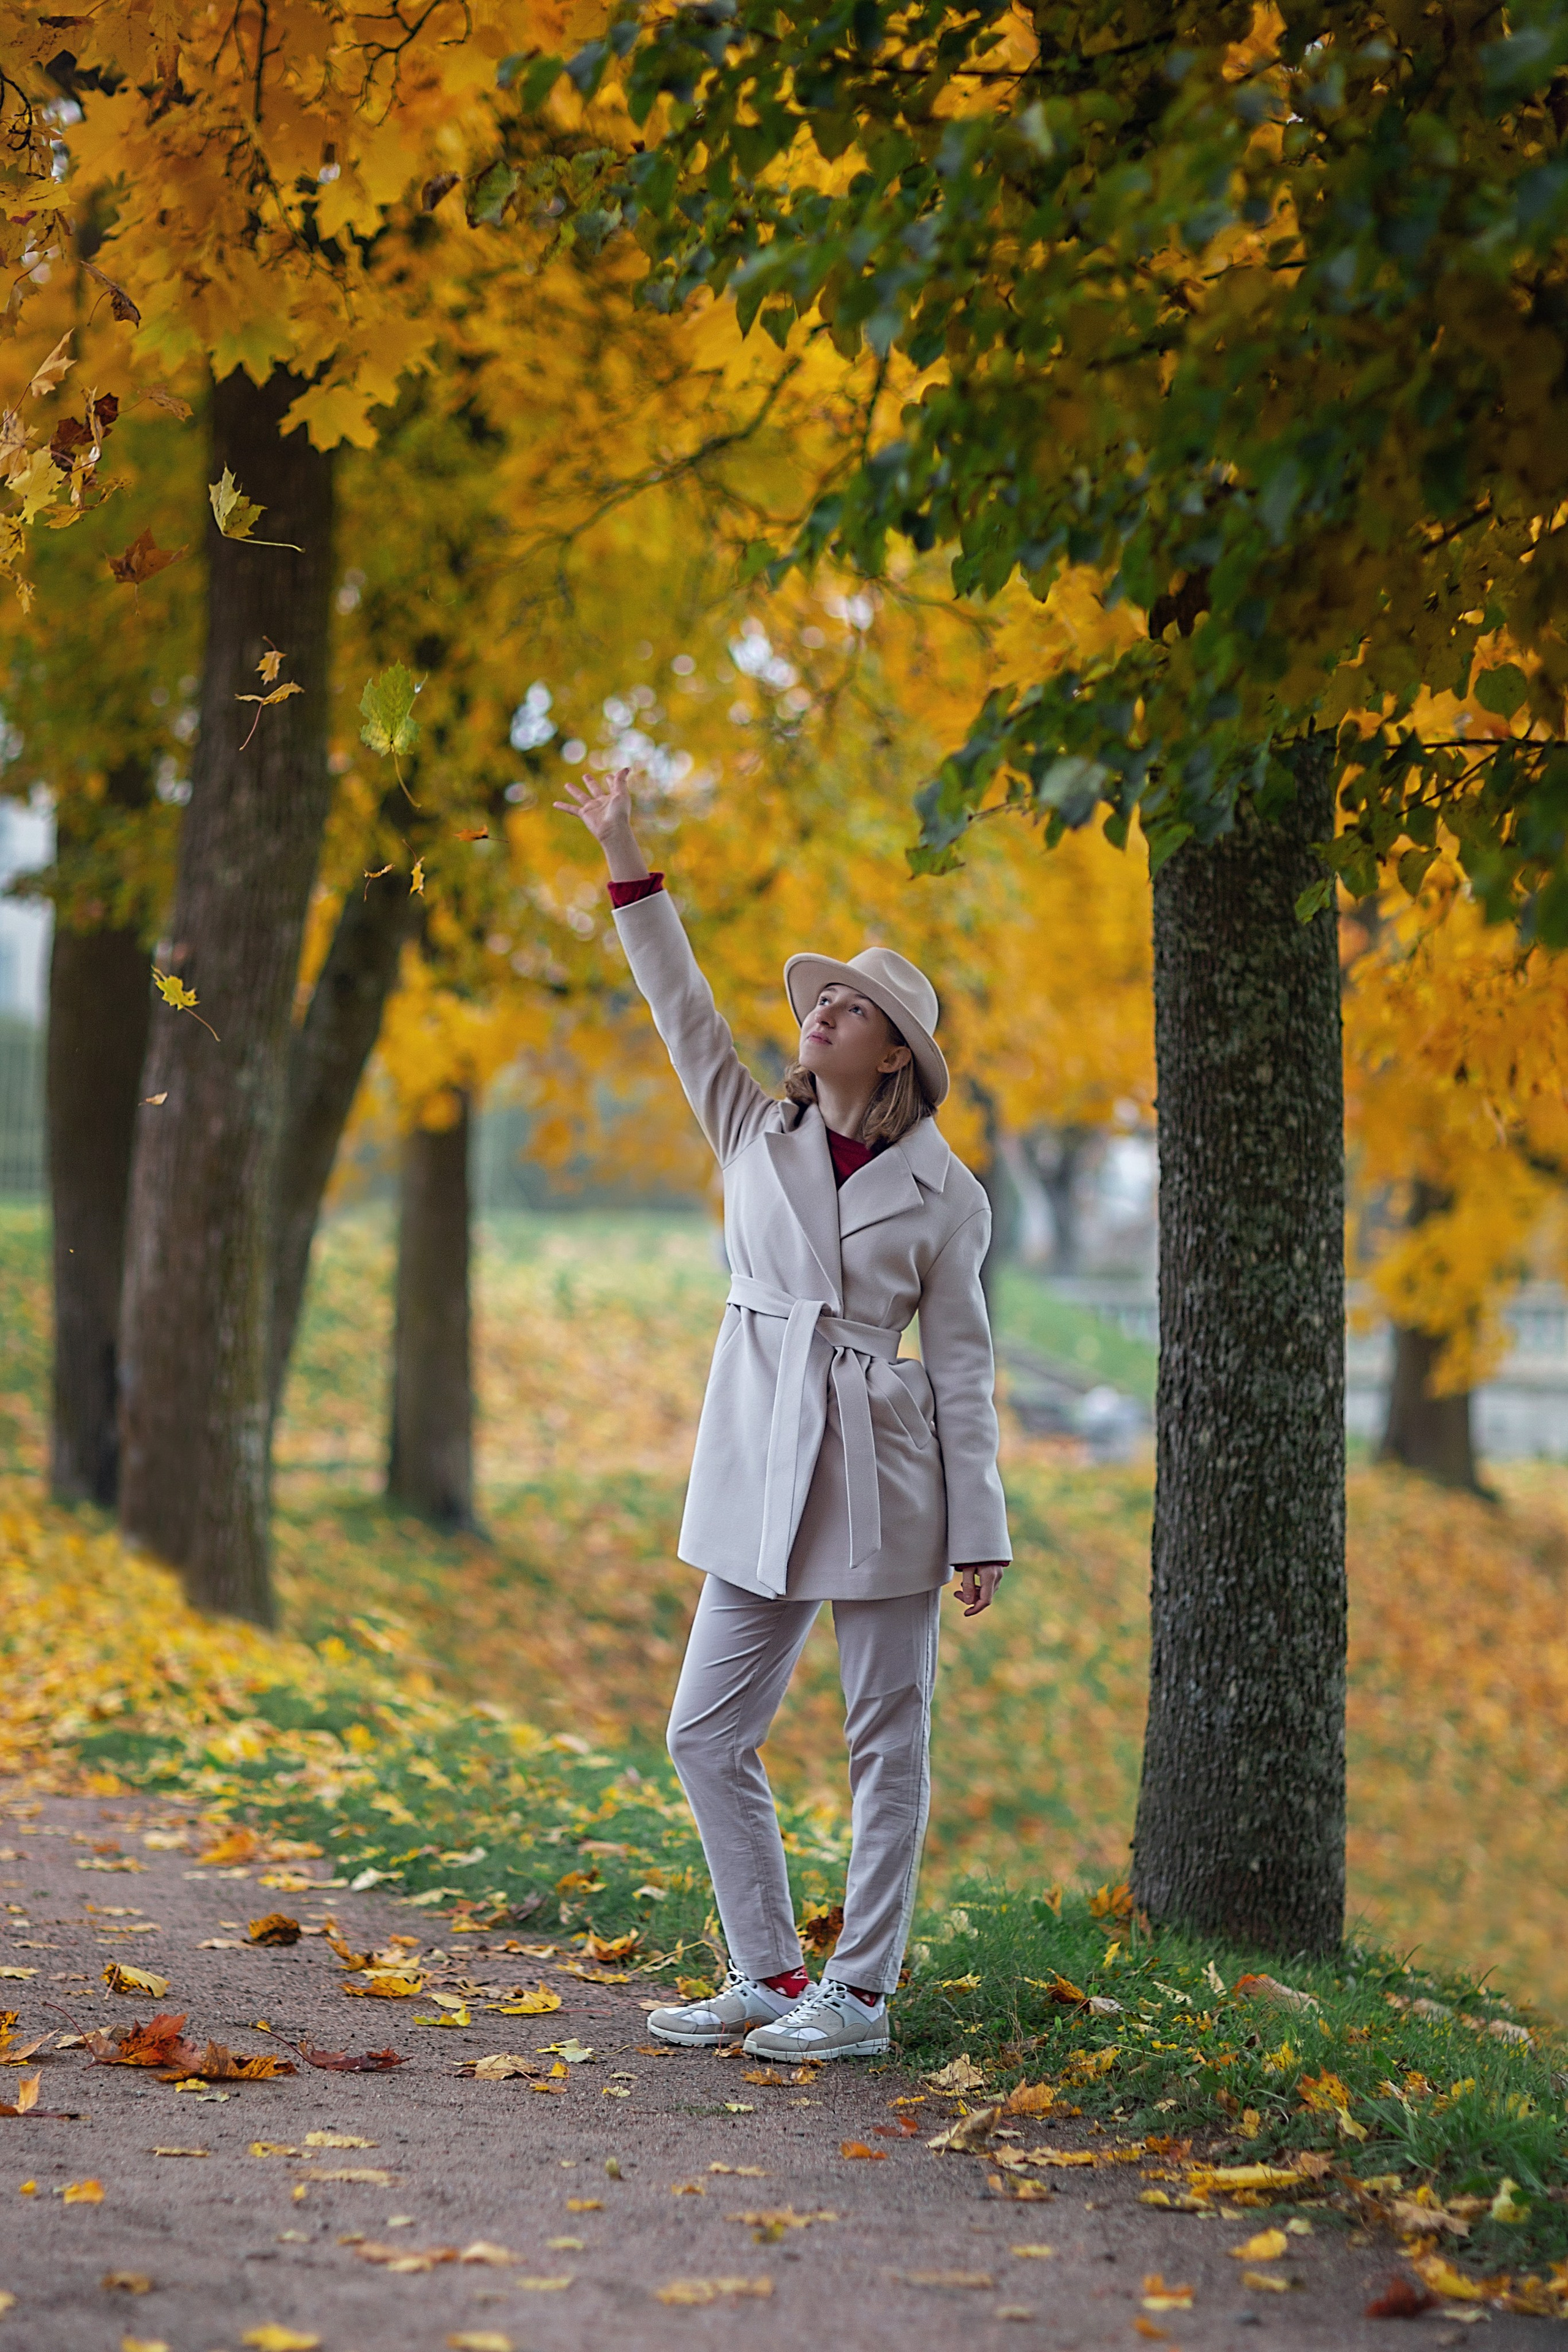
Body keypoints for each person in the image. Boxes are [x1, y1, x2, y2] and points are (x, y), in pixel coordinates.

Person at [557, 768, 1010, 2061]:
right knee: (705, 1731)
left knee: (886, 1739)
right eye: (821, 996)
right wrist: (625, 856)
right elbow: (679, 1005)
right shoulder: (751, 1128)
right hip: (765, 1457)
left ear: (894, 1053)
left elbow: (964, 1368)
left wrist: (979, 1529)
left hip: (883, 1470)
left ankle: (857, 1997)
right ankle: (765, 1972)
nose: (822, 1009)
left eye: (852, 1005)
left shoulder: (950, 1197)